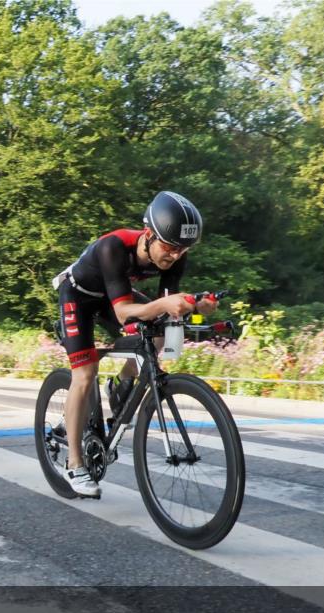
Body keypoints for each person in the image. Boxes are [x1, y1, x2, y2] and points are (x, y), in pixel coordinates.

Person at [50, 191, 218, 498]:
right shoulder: (114, 247)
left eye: (183, 250)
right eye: (170, 247)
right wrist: (168, 303)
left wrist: (197, 305)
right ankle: (74, 464)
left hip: (113, 296)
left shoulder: (173, 255)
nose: (175, 256)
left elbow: (165, 308)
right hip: (78, 296)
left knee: (158, 332)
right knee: (85, 374)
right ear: (149, 235)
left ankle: (121, 385)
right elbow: (124, 312)